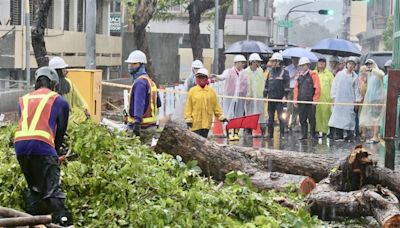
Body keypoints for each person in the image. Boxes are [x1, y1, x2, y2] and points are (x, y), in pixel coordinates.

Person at [14, 67, 73, 226]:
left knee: (35, 188)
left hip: (20, 147)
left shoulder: (23, 99)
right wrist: (55, 153)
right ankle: (64, 222)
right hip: (42, 145)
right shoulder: (59, 101)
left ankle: (33, 219)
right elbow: (60, 132)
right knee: (53, 192)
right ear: (54, 83)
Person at [125, 50, 162, 144]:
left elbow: (139, 103)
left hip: (141, 128)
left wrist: (137, 122)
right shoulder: (150, 81)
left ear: (141, 65)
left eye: (133, 64)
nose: (130, 66)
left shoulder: (140, 82)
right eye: (129, 63)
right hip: (151, 127)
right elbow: (158, 103)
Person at [211, 55, 248, 141]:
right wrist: (216, 76)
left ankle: (236, 133)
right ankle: (229, 133)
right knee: (229, 116)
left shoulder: (244, 73)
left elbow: (247, 85)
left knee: (238, 116)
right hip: (230, 98)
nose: (242, 65)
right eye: (241, 63)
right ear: (236, 63)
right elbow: (222, 77)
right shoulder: (229, 72)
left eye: (243, 63)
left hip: (240, 99)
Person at [185, 68, 227, 138]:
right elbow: (188, 107)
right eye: (199, 77)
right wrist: (188, 118)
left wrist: (221, 117)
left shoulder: (211, 92)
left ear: (206, 78)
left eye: (203, 77)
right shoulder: (192, 91)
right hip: (195, 124)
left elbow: (216, 107)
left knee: (203, 144)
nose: (201, 79)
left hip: (206, 124)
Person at [328, 57, 362, 142]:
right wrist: (333, 97)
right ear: (346, 64)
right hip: (339, 100)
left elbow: (356, 89)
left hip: (350, 100)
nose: (351, 66)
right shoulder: (340, 74)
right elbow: (334, 86)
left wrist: (357, 101)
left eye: (353, 64)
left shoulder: (355, 77)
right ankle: (339, 135)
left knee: (349, 117)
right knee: (338, 118)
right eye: (349, 64)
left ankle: (350, 135)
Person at [49, 57, 90, 123]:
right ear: (60, 71)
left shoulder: (49, 85)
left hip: (53, 120)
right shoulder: (69, 83)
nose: (66, 71)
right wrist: (86, 111)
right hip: (69, 119)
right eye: (64, 69)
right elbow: (79, 100)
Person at [264, 52, 290, 139]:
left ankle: (282, 134)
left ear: (279, 61)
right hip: (271, 99)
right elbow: (267, 84)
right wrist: (265, 94)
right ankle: (270, 135)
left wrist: (285, 96)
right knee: (270, 118)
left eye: (274, 61)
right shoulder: (270, 72)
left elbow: (287, 85)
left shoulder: (284, 72)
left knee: (281, 118)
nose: (272, 63)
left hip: (279, 100)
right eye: (272, 61)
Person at [294, 57, 321, 140]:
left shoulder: (313, 75)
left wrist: (315, 99)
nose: (301, 67)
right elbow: (296, 89)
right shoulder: (299, 76)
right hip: (301, 101)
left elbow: (317, 88)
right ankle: (304, 134)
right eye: (300, 66)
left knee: (312, 119)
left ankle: (313, 134)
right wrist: (295, 100)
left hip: (310, 102)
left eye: (303, 65)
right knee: (302, 119)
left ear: (308, 65)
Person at [359, 59, 385, 143]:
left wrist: (372, 70)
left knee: (376, 119)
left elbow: (382, 74)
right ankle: (373, 136)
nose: (368, 66)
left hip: (378, 99)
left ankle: (375, 136)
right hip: (370, 100)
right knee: (371, 119)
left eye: (370, 64)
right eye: (367, 65)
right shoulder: (369, 75)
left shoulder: (378, 72)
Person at [244, 53, 266, 137]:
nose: (259, 64)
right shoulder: (246, 72)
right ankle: (248, 130)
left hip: (259, 96)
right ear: (252, 62)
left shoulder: (260, 71)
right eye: (257, 62)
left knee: (260, 113)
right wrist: (247, 95)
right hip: (250, 97)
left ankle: (260, 130)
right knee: (249, 113)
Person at [314, 57, 334, 137]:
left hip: (326, 99)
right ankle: (316, 131)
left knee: (325, 116)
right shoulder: (314, 73)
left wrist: (332, 99)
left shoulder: (329, 74)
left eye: (323, 62)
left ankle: (325, 132)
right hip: (316, 99)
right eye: (320, 62)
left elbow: (333, 87)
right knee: (316, 115)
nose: (321, 63)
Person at [285, 57, 300, 131]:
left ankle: (293, 125)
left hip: (298, 89)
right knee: (289, 108)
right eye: (294, 59)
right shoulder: (288, 68)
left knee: (296, 108)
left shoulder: (300, 68)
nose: (295, 60)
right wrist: (293, 76)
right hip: (290, 89)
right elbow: (286, 79)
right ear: (291, 59)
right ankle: (285, 125)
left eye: (297, 59)